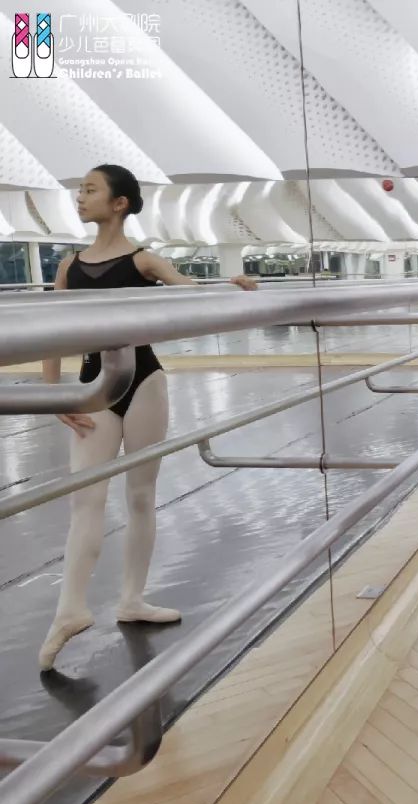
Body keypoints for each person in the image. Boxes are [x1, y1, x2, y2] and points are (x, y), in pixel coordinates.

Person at [38, 164, 257, 671]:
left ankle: (132, 599)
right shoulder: (70, 266)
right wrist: (54, 394)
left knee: (140, 495)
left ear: (119, 203)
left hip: (144, 383)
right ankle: (70, 609)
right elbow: (50, 328)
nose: (79, 197)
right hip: (93, 388)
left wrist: (232, 286)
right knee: (86, 499)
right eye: (79, 190)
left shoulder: (144, 260)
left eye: (90, 190)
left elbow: (191, 294)